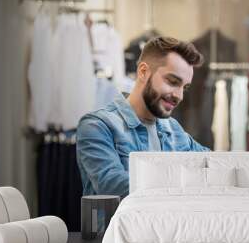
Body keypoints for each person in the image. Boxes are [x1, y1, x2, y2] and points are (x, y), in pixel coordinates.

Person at [76, 37, 209, 197]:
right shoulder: (97, 126)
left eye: (184, 87)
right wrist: (185, 181)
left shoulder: (173, 128)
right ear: (143, 72)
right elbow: (113, 186)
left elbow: (213, 165)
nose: (179, 96)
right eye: (173, 81)